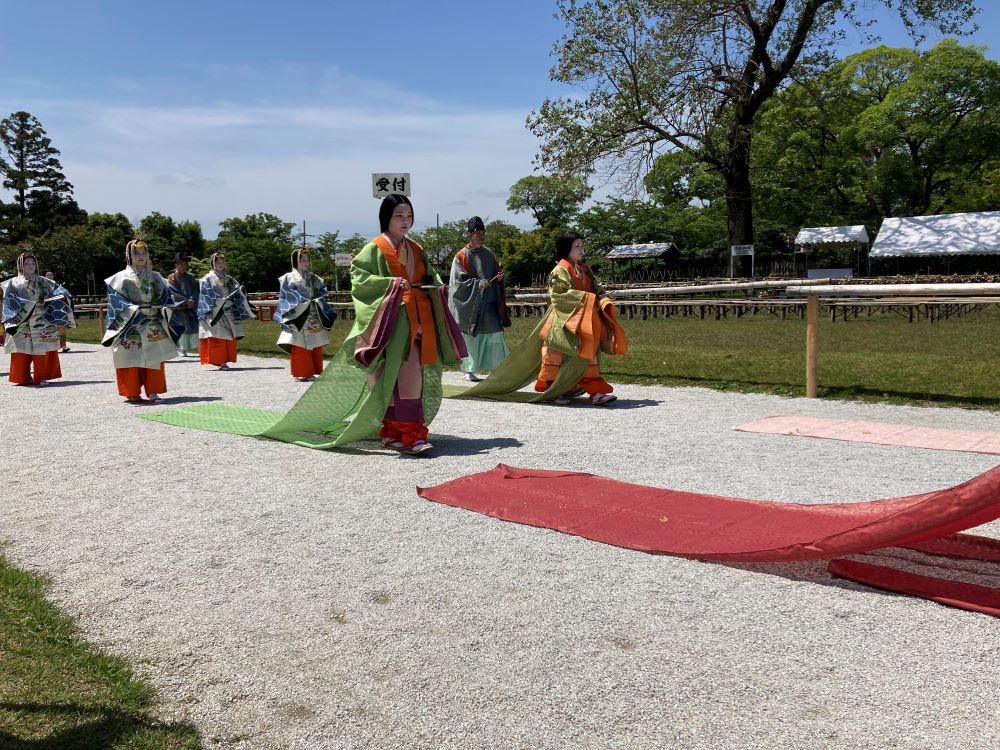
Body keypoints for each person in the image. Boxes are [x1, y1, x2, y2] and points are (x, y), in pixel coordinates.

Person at [457, 232, 628, 406]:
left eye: (582, 246)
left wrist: (602, 298)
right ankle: (552, 391)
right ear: (566, 249)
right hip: (562, 322)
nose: (581, 249)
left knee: (589, 356)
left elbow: (596, 287)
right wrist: (587, 298)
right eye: (577, 246)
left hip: (583, 321)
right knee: (555, 357)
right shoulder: (560, 270)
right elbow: (557, 295)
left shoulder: (584, 268)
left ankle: (596, 392)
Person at [104, 237, 176, 403]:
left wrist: (163, 306)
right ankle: (132, 391)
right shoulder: (119, 278)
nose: (141, 256)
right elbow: (115, 302)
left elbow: (166, 297)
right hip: (129, 324)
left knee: (154, 357)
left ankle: (154, 391)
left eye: (144, 253)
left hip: (152, 321)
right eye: (137, 253)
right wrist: (133, 310)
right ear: (130, 255)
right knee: (130, 357)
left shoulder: (156, 277)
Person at [448, 216, 510, 382]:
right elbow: (459, 283)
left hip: (490, 304)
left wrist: (498, 277)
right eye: (478, 233)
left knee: (495, 336)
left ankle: (500, 369)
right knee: (472, 338)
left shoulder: (489, 253)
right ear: (470, 234)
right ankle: (469, 369)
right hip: (472, 306)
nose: (482, 236)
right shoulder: (461, 256)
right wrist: (478, 284)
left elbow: (496, 271)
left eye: (483, 232)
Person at [1, 250, 71, 386]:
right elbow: (8, 302)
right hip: (21, 320)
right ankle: (22, 377)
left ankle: (41, 377)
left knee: (42, 349)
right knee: (20, 350)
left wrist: (57, 301)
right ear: (21, 266)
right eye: (27, 263)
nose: (30, 265)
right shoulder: (12, 283)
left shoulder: (44, 281)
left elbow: (61, 292)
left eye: (33, 263)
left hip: (42, 319)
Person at [273, 248, 337, 381]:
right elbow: (285, 297)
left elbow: (323, 292)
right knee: (299, 344)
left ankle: (314, 369)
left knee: (315, 342)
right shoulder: (287, 278)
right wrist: (302, 303)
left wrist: (318, 300)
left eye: (307, 260)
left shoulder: (314, 277)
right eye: (302, 260)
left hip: (313, 313)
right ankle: (302, 372)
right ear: (296, 261)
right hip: (298, 315)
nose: (306, 262)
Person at [196, 252, 252, 370]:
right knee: (218, 336)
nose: (221, 264)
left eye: (222, 262)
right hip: (214, 311)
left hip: (227, 310)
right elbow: (204, 295)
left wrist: (240, 290)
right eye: (218, 262)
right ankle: (220, 361)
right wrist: (215, 303)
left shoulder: (229, 278)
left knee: (228, 336)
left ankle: (224, 360)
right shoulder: (207, 278)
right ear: (213, 264)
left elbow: (236, 290)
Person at [167, 252, 200, 356]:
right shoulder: (171, 278)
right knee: (182, 326)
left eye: (185, 264)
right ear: (176, 265)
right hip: (179, 306)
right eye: (180, 264)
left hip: (191, 305)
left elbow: (195, 289)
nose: (183, 266)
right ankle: (182, 349)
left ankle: (198, 347)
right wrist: (185, 301)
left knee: (194, 326)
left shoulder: (191, 277)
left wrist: (192, 300)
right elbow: (172, 291)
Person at [44, 270, 73, 352]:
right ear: (45, 277)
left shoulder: (58, 287)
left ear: (53, 276)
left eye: (51, 275)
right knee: (49, 329)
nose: (49, 276)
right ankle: (52, 347)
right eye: (47, 275)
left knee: (62, 329)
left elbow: (67, 294)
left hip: (59, 312)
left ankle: (63, 346)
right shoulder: (42, 287)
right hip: (48, 311)